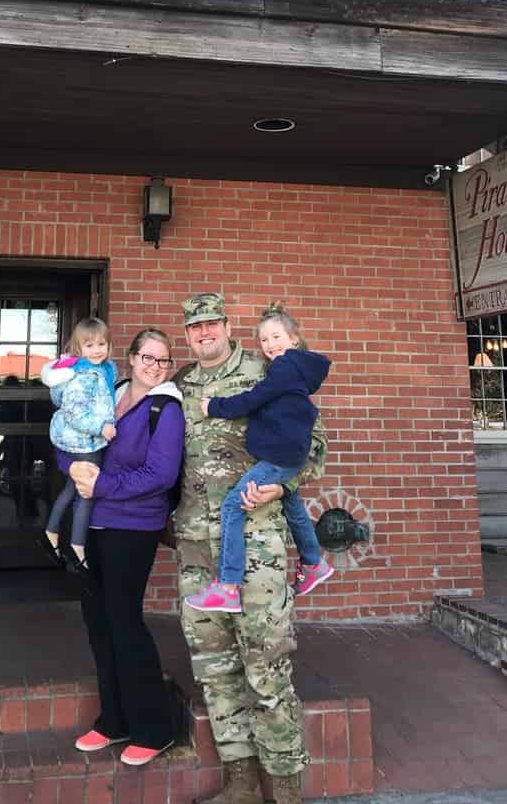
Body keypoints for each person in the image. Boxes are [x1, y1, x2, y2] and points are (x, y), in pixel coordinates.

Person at [175, 293, 326, 804]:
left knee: (266, 669)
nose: (204, 333)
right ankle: (240, 786)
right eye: (194, 327)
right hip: (198, 552)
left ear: (226, 325)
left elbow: (315, 443)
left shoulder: (269, 369)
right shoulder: (179, 387)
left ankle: (284, 792)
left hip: (257, 548)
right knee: (216, 672)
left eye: (212, 323)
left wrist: (285, 486)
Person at [63, 329, 184, 768]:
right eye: (147, 357)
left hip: (133, 527)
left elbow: (161, 474)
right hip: (91, 524)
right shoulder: (105, 391)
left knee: (124, 620)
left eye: (163, 360)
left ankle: (154, 727)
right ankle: (115, 720)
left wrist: (104, 485)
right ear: (130, 359)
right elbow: (73, 437)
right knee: (98, 621)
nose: (154, 366)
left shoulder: (165, 408)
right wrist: (73, 467)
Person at [185, 302, 333, 613]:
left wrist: (214, 407)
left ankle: (228, 586)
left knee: (232, 505)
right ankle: (313, 562)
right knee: (295, 508)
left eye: (276, 337)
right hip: (202, 530)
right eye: (264, 340)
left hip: (274, 480)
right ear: (187, 334)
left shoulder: (274, 369)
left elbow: (256, 402)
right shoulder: (184, 380)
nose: (270, 345)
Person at [40, 318, 117, 568]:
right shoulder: (83, 375)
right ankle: (77, 545)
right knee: (87, 492)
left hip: (83, 439)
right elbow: (75, 413)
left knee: (72, 489)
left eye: (101, 344)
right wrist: (102, 427)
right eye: (89, 345)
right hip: (85, 441)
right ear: (78, 348)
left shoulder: (103, 370)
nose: (97, 350)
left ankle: (50, 534)